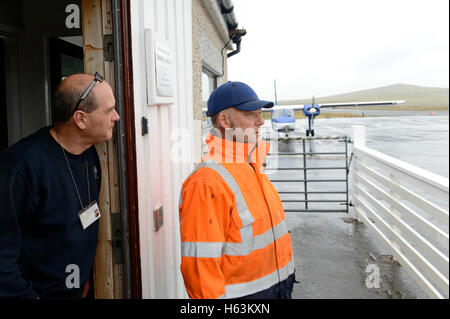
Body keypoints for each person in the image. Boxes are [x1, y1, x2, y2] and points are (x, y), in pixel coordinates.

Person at [0, 72, 120, 298]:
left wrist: (82, 280)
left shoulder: (89, 155)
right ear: (80, 119)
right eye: (108, 110)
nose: (117, 116)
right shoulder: (18, 170)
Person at [178, 81, 295, 299]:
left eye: (260, 114)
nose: (261, 121)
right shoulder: (207, 181)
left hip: (277, 290)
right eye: (252, 114)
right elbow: (201, 272)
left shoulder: (251, 166)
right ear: (225, 120)